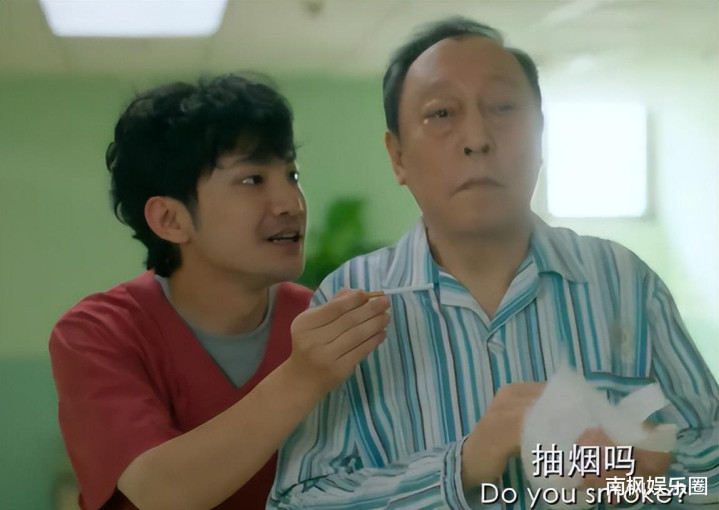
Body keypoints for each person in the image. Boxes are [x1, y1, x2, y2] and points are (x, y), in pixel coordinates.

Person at [270, 17, 719, 508]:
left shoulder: (625, 282)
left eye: (503, 107)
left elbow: (710, 469)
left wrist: (654, 471)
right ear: (397, 156)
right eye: (441, 113)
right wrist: (462, 467)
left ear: (541, 136)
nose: (477, 138)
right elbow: (299, 499)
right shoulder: (350, 302)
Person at [48, 73, 391, 510]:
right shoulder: (96, 333)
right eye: (252, 180)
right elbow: (159, 492)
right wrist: (302, 377)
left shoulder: (323, 318)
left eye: (292, 174)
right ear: (171, 220)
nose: (291, 203)